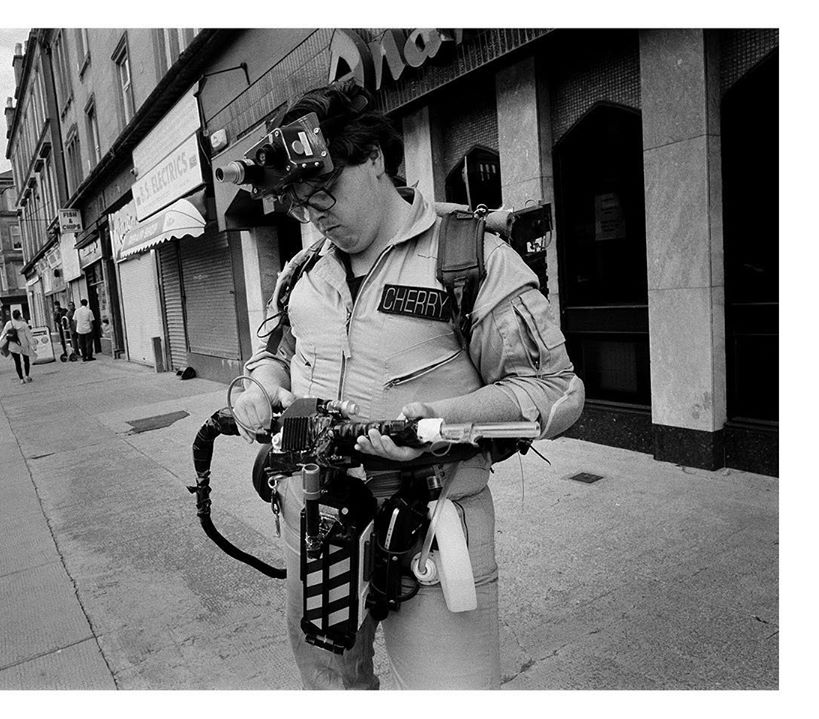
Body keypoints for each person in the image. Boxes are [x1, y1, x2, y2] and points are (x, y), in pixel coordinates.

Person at [230, 80, 584, 690]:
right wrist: (257, 392)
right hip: (316, 519)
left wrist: (438, 421)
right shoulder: (301, 273)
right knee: (331, 687)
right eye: (300, 203)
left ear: (374, 159)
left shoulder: (471, 259)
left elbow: (553, 387)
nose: (315, 215)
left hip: (430, 524)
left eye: (325, 192)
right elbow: (273, 354)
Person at [0, 309, 36, 383]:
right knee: (26, 360)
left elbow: (3, 334)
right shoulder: (24, 324)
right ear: (19, 315)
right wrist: (33, 345)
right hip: (24, 345)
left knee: (17, 362)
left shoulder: (9, 323)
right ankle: (27, 376)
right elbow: (29, 336)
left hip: (13, 345)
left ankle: (21, 379)